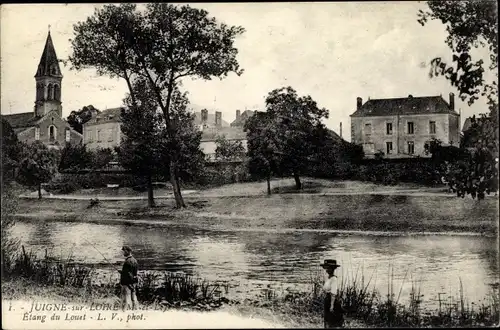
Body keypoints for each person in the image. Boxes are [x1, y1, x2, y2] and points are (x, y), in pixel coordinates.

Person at [321, 259, 344, 328]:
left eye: (329, 268)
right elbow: (327, 288)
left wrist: (332, 306)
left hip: (332, 301)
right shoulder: (328, 278)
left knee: (332, 320)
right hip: (327, 300)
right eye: (326, 268)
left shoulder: (334, 279)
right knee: (327, 319)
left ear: (333, 269)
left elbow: (333, 293)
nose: (327, 270)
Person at [119, 246, 138, 311]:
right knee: (134, 298)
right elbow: (133, 273)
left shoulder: (127, 261)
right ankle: (135, 311)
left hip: (127, 283)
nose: (123, 252)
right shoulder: (135, 260)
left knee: (125, 299)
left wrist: (128, 284)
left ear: (127, 251)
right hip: (133, 282)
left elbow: (128, 274)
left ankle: (123, 312)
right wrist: (122, 272)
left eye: (124, 251)